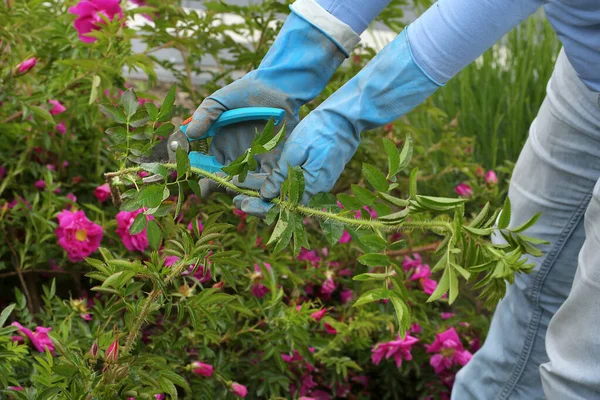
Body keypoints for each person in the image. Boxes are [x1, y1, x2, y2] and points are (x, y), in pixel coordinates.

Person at [185, 0, 600, 398]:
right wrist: (288, 71)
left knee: (582, 371)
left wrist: (349, 114)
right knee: (527, 281)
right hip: (587, 74)